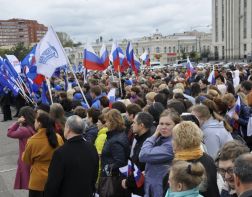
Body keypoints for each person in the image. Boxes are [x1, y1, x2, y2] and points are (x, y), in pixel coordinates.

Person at [44, 115, 99, 197]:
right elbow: (95, 174)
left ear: (68, 128)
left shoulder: (60, 153)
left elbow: (53, 183)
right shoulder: (92, 148)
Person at [172, 121, 220, 197]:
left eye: (174, 139)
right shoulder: (208, 159)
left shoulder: (180, 166)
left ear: (180, 141)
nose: (172, 142)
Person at [22, 112, 64, 197]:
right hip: (55, 176)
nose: (34, 123)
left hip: (38, 180)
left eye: (35, 121)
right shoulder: (57, 137)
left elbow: (26, 160)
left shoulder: (32, 141)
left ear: (39, 123)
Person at [139, 109, 179, 197]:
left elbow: (143, 155)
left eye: (168, 124)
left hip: (161, 190)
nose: (163, 127)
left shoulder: (172, 145)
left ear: (176, 126)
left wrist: (154, 134)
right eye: (161, 124)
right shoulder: (160, 139)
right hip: (151, 187)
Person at [99, 109, 130, 197]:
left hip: (112, 180)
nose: (105, 123)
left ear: (112, 122)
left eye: (107, 121)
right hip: (112, 177)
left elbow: (120, 161)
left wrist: (106, 167)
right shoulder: (117, 136)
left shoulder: (116, 140)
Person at [121, 112, 153, 196]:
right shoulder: (139, 139)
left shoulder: (146, 143)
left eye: (134, 122)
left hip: (139, 189)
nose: (132, 125)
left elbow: (140, 168)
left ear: (141, 125)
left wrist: (128, 182)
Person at [7, 106, 36, 190]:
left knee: (29, 183)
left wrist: (17, 123)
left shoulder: (24, 130)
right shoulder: (35, 126)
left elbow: (10, 133)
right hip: (35, 157)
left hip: (25, 158)